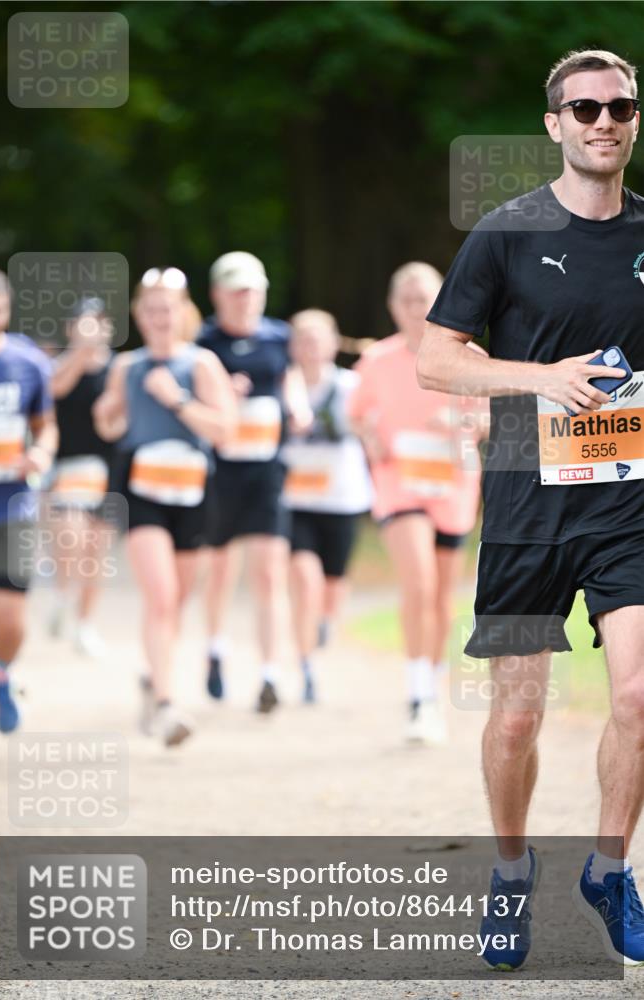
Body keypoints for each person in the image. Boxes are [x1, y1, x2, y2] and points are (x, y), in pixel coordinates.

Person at [417, 49, 643, 968]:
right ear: (553, 123)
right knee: (516, 714)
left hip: (627, 504)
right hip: (521, 505)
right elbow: (436, 360)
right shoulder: (503, 234)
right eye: (582, 106)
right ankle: (511, 873)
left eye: (619, 105)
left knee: (637, 693)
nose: (602, 120)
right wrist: (540, 379)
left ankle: (607, 868)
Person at [93, 267, 236, 747]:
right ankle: (168, 703)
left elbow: (223, 430)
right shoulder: (126, 367)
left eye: (167, 308)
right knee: (158, 596)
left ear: (183, 313)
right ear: (139, 314)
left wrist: (176, 399)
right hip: (143, 490)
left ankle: (153, 676)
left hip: (193, 491)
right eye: (150, 309)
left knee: (175, 599)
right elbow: (111, 427)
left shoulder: (201, 365)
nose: (158, 317)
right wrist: (108, 414)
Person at [350, 262, 487, 744]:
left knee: (441, 596)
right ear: (392, 306)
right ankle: (417, 696)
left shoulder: (469, 357)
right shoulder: (376, 361)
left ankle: (430, 687)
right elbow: (357, 417)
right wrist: (369, 436)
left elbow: (490, 419)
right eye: (406, 298)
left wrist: (459, 424)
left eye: (424, 297)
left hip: (453, 487)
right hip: (399, 484)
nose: (416, 307)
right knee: (418, 582)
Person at [199, 252, 312, 712]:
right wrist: (223, 392)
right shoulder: (202, 342)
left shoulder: (279, 338)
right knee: (221, 571)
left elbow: (293, 380)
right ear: (217, 295)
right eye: (236, 291)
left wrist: (298, 406)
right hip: (216, 473)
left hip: (266, 471)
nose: (245, 300)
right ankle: (215, 648)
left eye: (252, 291)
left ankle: (269, 674)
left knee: (268, 573)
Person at [0, 264, 58, 758]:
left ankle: (4, 675)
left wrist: (43, 453)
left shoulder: (28, 364)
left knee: (9, 618)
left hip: (11, 506)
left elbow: (45, 424)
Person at [281, 309, 372, 703]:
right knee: (305, 579)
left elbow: (375, 426)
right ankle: (306, 667)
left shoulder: (354, 385)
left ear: (334, 344)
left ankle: (325, 625)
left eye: (319, 338)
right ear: (293, 347)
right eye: (303, 338)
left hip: (343, 499)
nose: (311, 346)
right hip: (296, 499)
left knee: (333, 586)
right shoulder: (283, 387)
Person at [47, 297, 115, 656]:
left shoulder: (119, 369)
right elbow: (54, 390)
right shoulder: (58, 367)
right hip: (69, 468)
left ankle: (85, 624)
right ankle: (61, 594)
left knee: (97, 551)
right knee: (70, 538)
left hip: (107, 470)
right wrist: (79, 354)